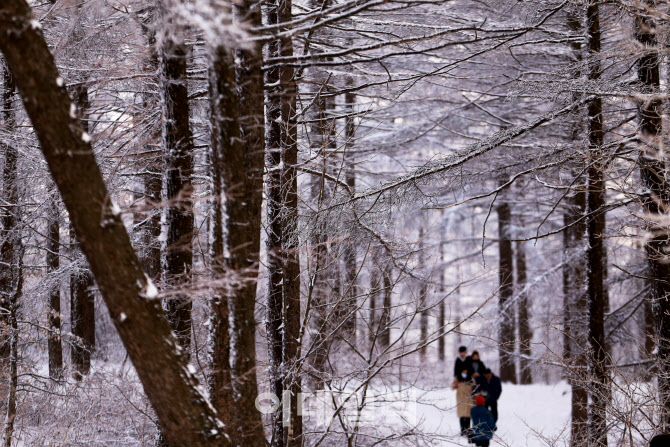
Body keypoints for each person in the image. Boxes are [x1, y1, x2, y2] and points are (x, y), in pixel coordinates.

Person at [453, 346, 474, 437]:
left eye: (464, 352)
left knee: (468, 411)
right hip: (461, 389)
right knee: (461, 411)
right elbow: (456, 373)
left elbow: (471, 372)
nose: (463, 354)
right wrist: (458, 380)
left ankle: (468, 429)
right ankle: (462, 430)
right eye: (461, 352)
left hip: (468, 389)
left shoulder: (469, 360)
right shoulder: (457, 360)